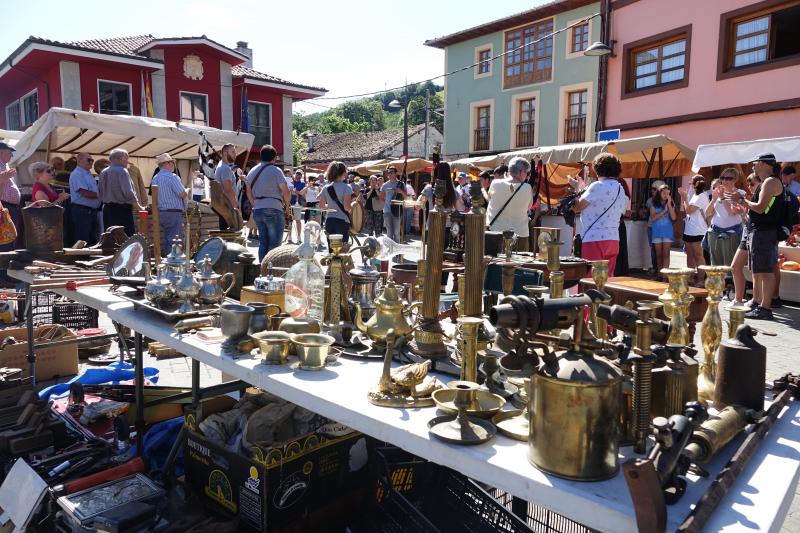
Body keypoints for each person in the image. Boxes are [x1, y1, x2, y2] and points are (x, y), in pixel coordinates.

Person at [735, 153, 784, 320]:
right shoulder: (768, 182)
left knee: (765, 271)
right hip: (761, 231)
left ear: (763, 164)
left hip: (764, 232)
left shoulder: (770, 182)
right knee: (761, 270)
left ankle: (765, 308)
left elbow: (761, 208)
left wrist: (742, 200)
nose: (753, 166)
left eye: (755, 163)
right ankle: (761, 305)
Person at [572, 152, 628, 273]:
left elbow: (577, 207)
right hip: (613, 239)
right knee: (607, 278)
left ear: (597, 169)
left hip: (594, 238)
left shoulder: (597, 186)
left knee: (590, 280)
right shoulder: (620, 188)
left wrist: (578, 189)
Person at [246, 145, 290, 262]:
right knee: (274, 245)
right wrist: (287, 207)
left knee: (263, 243)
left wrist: (254, 204)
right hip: (274, 208)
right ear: (274, 158)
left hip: (258, 209)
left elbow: (248, 191)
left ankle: (262, 271)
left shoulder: (252, 171)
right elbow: (286, 192)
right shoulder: (276, 170)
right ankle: (270, 273)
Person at [485, 157, 533, 251]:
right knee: (520, 264)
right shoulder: (527, 188)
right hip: (520, 233)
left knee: (495, 263)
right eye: (526, 173)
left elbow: (490, 199)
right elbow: (529, 207)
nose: (527, 176)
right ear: (520, 171)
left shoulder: (495, 183)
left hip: (496, 232)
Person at [729, 174, 761, 306]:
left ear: (760, 183)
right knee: (735, 267)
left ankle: (757, 301)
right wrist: (742, 213)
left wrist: (742, 205)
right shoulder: (752, 198)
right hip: (746, 235)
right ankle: (738, 299)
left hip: (756, 236)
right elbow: (748, 221)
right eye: (748, 184)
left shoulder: (761, 197)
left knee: (757, 271)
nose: (749, 187)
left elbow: (759, 217)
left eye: (752, 184)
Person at [704, 167, 745, 268]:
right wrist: (713, 200)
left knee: (730, 266)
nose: (724, 180)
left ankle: (729, 284)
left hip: (731, 233)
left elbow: (732, 213)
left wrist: (722, 197)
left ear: (735, 179)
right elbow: (707, 213)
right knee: (715, 266)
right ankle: (718, 284)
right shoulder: (718, 192)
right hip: (714, 232)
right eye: (723, 177)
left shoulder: (739, 193)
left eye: (728, 178)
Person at [150, 153, 187, 254]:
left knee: (167, 240)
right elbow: (182, 194)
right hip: (174, 213)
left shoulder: (155, 178)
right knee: (175, 241)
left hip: (162, 213)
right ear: (168, 163)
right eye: (172, 162)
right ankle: (173, 266)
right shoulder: (172, 177)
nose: (174, 165)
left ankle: (168, 262)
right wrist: (188, 190)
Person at [99, 148, 140, 236]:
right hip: (121, 210)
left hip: (107, 209)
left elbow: (100, 192)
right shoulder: (122, 171)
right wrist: (138, 206)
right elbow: (128, 192)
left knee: (110, 239)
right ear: (118, 159)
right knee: (125, 239)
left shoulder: (103, 172)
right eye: (126, 158)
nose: (127, 161)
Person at [679, 175, 710, 286]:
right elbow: (686, 211)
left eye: (691, 183)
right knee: (690, 255)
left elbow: (689, 210)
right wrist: (685, 198)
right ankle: (691, 277)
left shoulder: (702, 196)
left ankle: (701, 279)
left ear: (696, 184)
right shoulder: (693, 195)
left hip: (699, 230)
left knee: (698, 256)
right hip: (689, 230)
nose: (689, 185)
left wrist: (684, 197)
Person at [319, 161, 353, 249]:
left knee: (332, 251)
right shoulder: (347, 187)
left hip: (329, 221)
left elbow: (321, 207)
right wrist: (354, 206)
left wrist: (331, 206)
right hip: (342, 222)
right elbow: (346, 207)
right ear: (342, 173)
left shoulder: (326, 188)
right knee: (342, 252)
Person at [69, 152, 101, 245]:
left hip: (90, 211)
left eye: (92, 160)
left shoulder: (88, 174)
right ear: (79, 160)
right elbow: (84, 192)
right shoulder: (77, 174)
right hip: (82, 211)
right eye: (88, 160)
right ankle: (80, 258)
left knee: (91, 239)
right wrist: (101, 195)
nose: (91, 162)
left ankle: (87, 258)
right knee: (83, 239)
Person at [649, 184, 677, 274]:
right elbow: (653, 218)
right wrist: (664, 211)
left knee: (666, 254)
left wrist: (669, 205)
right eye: (664, 193)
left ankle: (665, 275)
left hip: (667, 232)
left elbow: (673, 218)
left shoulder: (671, 203)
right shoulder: (653, 204)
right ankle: (660, 273)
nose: (666, 195)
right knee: (659, 255)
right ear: (659, 193)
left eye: (668, 193)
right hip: (656, 232)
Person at [0, 142, 22, 251]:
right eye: (9, 153)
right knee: (5, 237)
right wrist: (5, 176)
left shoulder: (5, 164)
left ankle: (6, 263)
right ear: (1, 152)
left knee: (9, 236)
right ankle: (3, 265)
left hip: (9, 206)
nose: (11, 156)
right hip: (3, 206)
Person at [215, 143, 240, 230]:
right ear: (225, 153)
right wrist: (235, 207)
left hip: (224, 205)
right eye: (233, 152)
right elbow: (228, 189)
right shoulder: (225, 168)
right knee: (228, 237)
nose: (235, 155)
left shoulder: (222, 165)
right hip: (227, 206)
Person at [380, 166, 404, 243]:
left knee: (396, 233)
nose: (389, 174)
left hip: (398, 211)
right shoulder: (384, 185)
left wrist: (401, 191)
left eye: (391, 172)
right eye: (388, 172)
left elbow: (406, 197)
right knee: (389, 233)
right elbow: (381, 198)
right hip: (387, 211)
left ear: (396, 173)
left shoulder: (401, 184)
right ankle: (390, 252)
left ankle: (397, 253)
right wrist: (388, 204)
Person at [288, 169, 306, 243]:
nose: (298, 176)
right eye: (297, 174)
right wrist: (295, 192)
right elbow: (290, 191)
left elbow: (301, 193)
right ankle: (289, 237)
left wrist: (296, 192)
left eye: (299, 174)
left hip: (297, 204)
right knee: (289, 221)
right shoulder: (291, 181)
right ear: (295, 174)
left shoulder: (302, 183)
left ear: (301, 176)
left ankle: (299, 237)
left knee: (298, 220)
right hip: (289, 203)